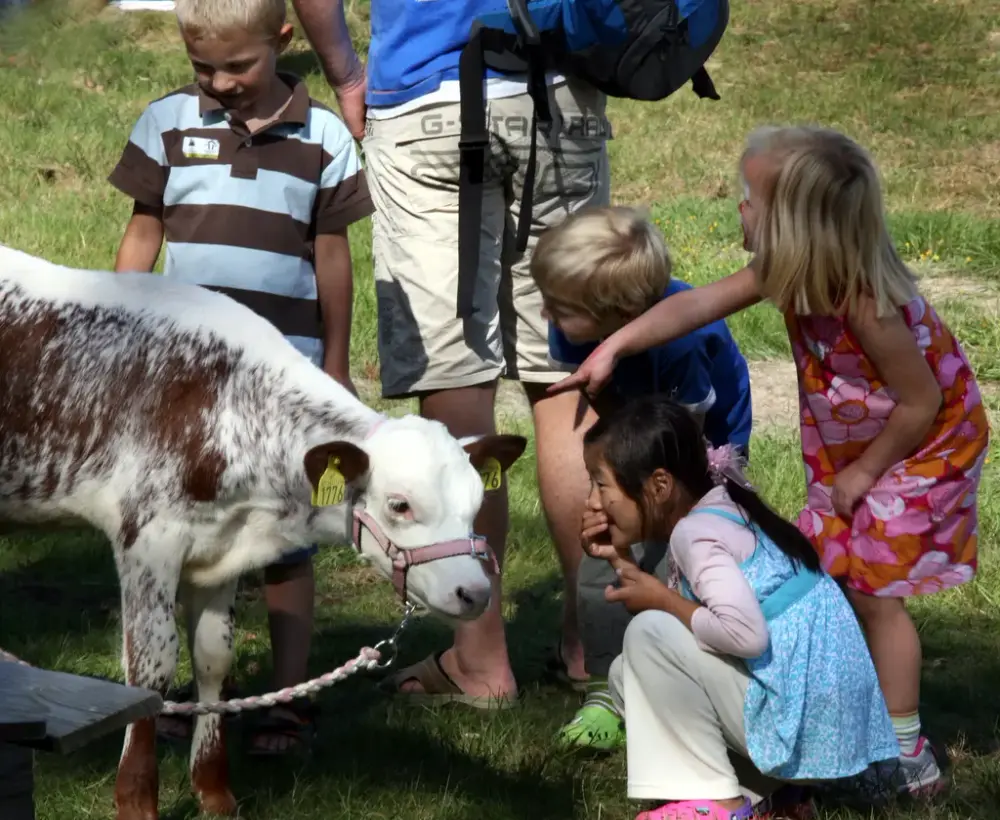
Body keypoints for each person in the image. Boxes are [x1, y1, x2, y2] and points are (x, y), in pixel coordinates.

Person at [551, 125, 990, 795]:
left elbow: (920, 401)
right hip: (861, 447)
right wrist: (613, 349)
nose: (738, 210)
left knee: (876, 595)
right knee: (837, 578)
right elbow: (691, 304)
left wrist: (864, 474)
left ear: (793, 222)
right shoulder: (784, 273)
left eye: (747, 198)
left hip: (921, 447)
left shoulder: (866, 304)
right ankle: (852, 724)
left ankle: (907, 755)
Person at [289, 0, 612, 706]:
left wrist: (346, 75)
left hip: (426, 96)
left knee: (457, 376)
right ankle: (592, 644)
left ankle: (481, 660)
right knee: (564, 381)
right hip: (560, 92)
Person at [108, 0, 374, 754]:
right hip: (179, 378)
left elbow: (332, 257)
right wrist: (119, 329)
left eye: (237, 65)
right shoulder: (164, 123)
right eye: (203, 67)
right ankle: (158, 692)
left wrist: (335, 364)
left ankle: (285, 695)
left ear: (283, 41)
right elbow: (142, 230)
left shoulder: (322, 136)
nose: (219, 81)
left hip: (279, 383)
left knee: (287, 531)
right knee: (168, 530)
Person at [580, 395, 899, 820]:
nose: (593, 501)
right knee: (625, 674)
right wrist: (619, 561)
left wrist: (663, 601)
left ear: (658, 485)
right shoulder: (721, 506)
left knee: (649, 632)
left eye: (601, 484)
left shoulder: (695, 534)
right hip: (822, 728)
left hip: (803, 730)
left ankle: (718, 801)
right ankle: (772, 795)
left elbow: (746, 636)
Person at [528, 205, 753, 748]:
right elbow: (611, 404)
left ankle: (696, 676)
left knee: (684, 557)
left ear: (620, 311)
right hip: (635, 434)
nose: (546, 315)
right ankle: (609, 686)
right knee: (604, 549)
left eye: (559, 307)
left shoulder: (680, 343)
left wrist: (641, 499)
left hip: (699, 453)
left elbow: (682, 440)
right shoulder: (573, 322)